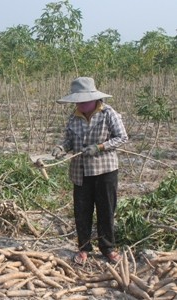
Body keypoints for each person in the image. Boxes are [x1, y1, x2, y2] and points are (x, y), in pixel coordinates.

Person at [51, 77, 128, 265]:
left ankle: (108, 248)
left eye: (85, 100)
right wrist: (61, 148)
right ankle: (84, 247)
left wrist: (100, 147)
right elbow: (69, 140)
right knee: (82, 211)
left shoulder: (108, 113)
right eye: (78, 101)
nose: (81, 104)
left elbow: (122, 137)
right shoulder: (74, 116)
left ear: (94, 98)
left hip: (105, 170)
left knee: (106, 209)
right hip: (80, 171)